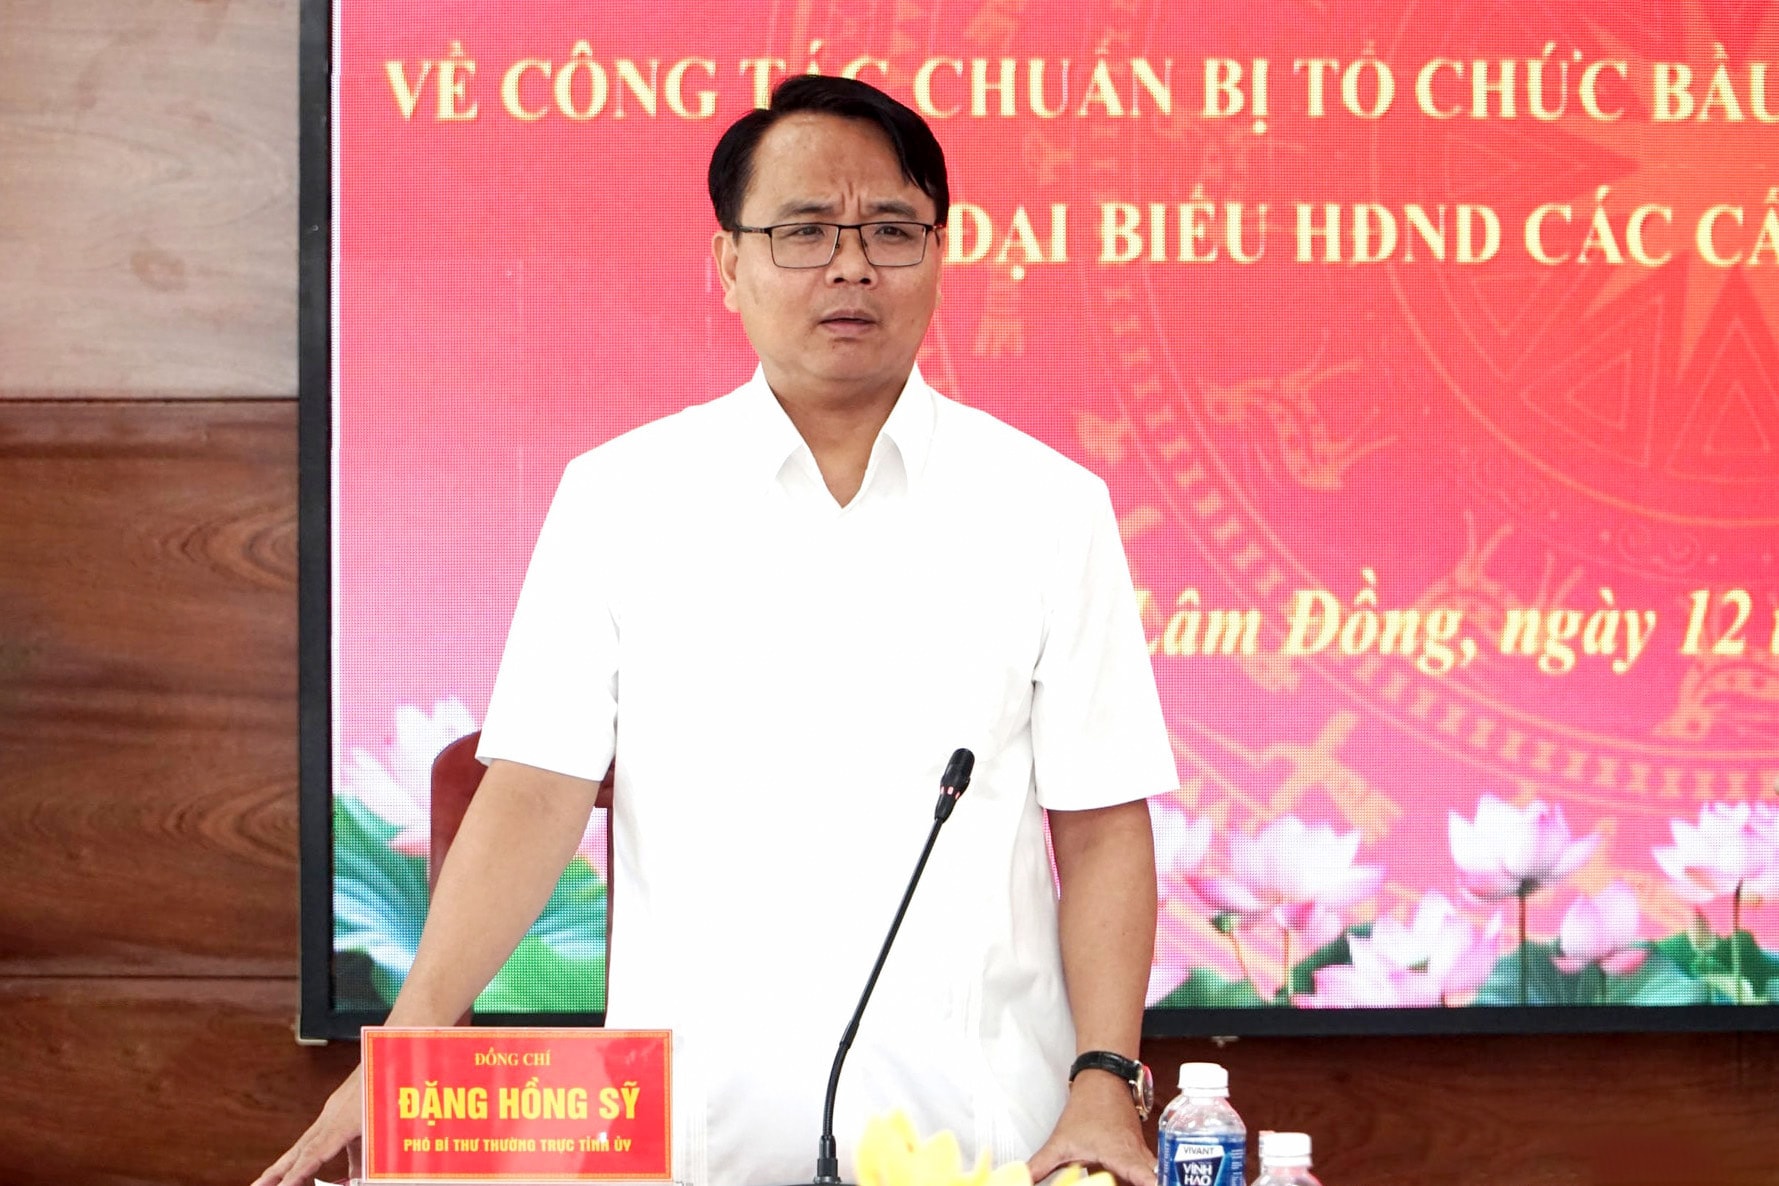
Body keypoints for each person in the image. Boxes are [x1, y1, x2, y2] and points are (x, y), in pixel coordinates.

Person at [255, 74, 1175, 1186]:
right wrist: (405, 1047)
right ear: (729, 264)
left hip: (985, 1143)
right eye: (804, 231)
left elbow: (1102, 822)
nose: (850, 266)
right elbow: (535, 793)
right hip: (693, 1146)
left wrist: (1103, 1079)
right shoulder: (622, 498)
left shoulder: (1047, 507)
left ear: (941, 255)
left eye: (891, 231)